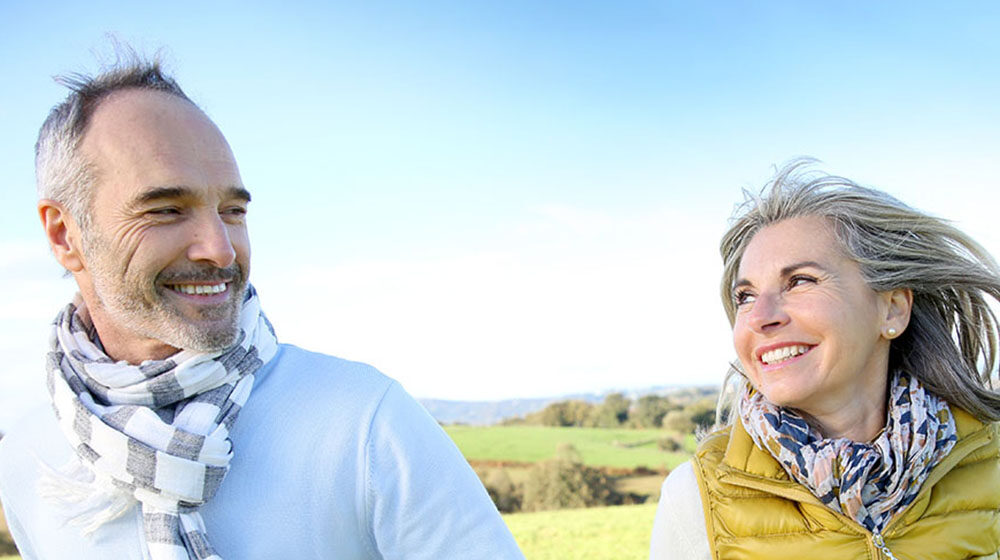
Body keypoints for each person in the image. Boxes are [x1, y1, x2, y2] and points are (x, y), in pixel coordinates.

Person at [0, 53, 525, 560]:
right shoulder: (26, 457)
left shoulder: (364, 422)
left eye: (232, 211)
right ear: (64, 234)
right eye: (165, 210)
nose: (221, 248)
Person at [650, 161, 1000, 559]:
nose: (762, 317)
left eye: (800, 281)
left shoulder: (988, 460)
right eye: (745, 296)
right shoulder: (696, 499)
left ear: (893, 310)